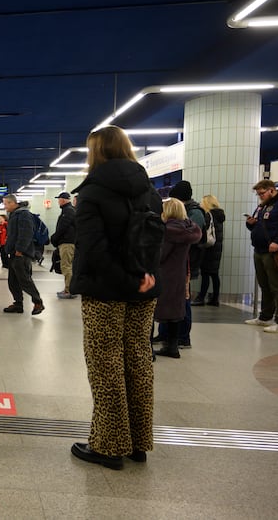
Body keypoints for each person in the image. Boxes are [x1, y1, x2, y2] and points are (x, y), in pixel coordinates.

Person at [69, 125, 162, 470]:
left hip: (106, 292)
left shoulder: (93, 193)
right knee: (138, 360)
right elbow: (154, 239)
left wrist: (123, 280)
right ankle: (138, 443)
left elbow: (94, 250)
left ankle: (109, 445)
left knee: (105, 364)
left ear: (97, 152)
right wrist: (143, 278)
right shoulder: (149, 191)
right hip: (146, 287)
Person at [154, 180, 204, 348]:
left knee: (164, 307)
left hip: (166, 273)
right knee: (177, 307)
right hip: (181, 270)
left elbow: (160, 255)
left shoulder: (169, 231)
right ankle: (172, 341)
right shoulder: (188, 228)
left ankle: (175, 342)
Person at [245, 180, 278, 332]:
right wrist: (251, 223)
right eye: (258, 194)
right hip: (259, 249)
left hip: (272, 251)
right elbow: (259, 224)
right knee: (264, 285)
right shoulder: (262, 205)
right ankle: (265, 317)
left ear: (271, 190)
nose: (260, 197)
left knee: (276, 286)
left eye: (262, 193)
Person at [1, 194, 44, 315]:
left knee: (24, 280)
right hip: (14, 253)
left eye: (5, 204)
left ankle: (38, 302)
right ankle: (18, 304)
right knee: (13, 281)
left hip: (21, 254)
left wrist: (20, 249)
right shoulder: (15, 214)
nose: (5, 207)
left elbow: (26, 233)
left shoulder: (23, 214)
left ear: (12, 203)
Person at [191, 194, 225, 307]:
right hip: (217, 248)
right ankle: (215, 298)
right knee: (214, 274)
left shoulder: (208, 215)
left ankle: (201, 297)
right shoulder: (220, 215)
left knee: (205, 273)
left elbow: (204, 231)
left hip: (208, 248)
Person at [50, 191, 77, 299]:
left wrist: (54, 238)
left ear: (63, 200)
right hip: (69, 242)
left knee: (66, 266)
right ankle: (69, 288)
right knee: (68, 266)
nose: (58, 201)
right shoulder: (69, 210)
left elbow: (62, 227)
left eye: (59, 199)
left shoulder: (68, 211)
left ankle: (69, 290)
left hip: (67, 243)